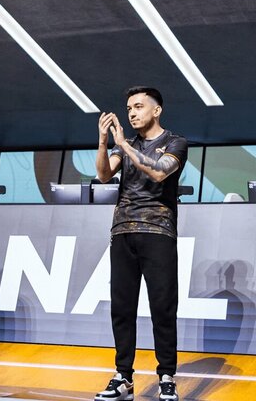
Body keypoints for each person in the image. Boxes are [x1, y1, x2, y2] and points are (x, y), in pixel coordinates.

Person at [93, 87, 188, 401]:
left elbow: (160, 172)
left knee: (162, 307)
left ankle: (166, 377)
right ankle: (123, 377)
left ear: (156, 110)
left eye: (138, 106)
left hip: (158, 231)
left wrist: (123, 145)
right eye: (129, 109)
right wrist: (105, 142)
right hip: (122, 230)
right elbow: (104, 175)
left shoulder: (175, 142)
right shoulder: (125, 144)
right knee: (122, 307)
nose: (132, 113)